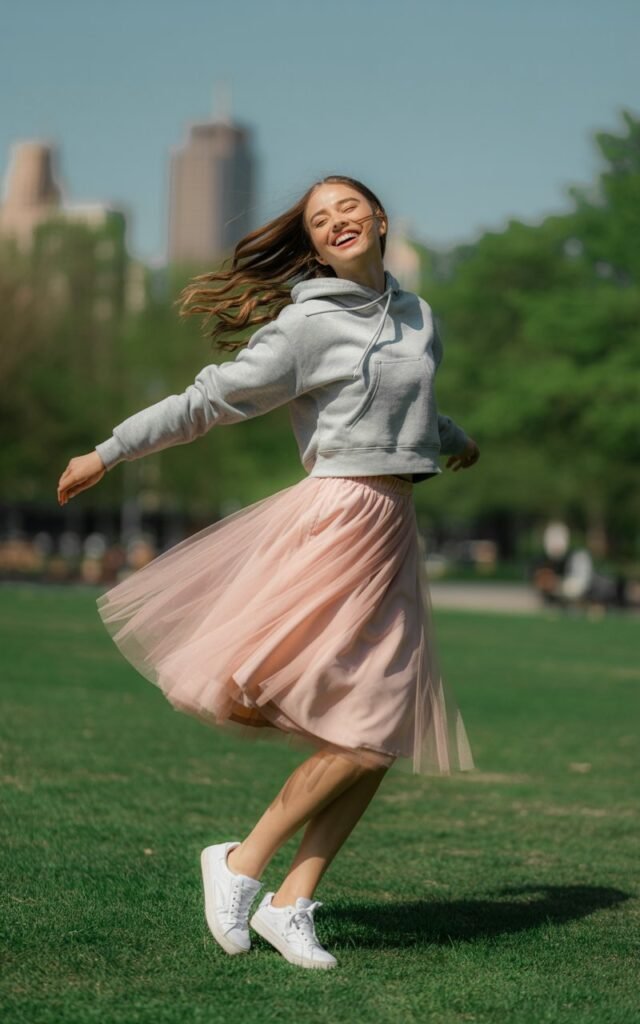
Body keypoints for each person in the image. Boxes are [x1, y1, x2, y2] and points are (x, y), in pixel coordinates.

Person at [56, 175, 480, 970]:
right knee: (359, 738)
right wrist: (107, 450)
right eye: (321, 220)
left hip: (393, 527)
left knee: (379, 734)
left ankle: (292, 904)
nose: (337, 222)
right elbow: (206, 400)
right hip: (336, 523)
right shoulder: (307, 326)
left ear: (380, 218)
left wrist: (454, 438)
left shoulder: (420, 316)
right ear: (314, 245)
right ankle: (241, 862)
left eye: (349, 207)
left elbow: (409, 404)